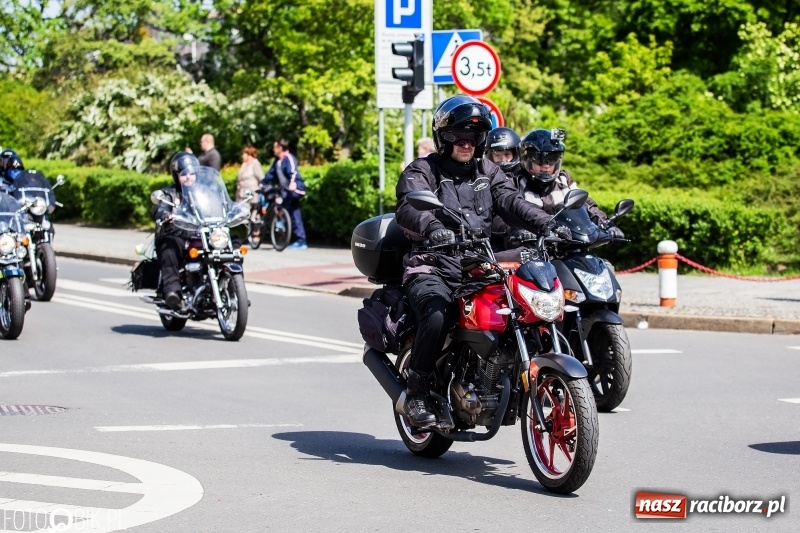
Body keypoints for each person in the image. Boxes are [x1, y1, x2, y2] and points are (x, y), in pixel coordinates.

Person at [395, 95, 572, 428]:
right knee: (437, 313)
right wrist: (433, 227)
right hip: (432, 261)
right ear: (442, 137)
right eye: (457, 135)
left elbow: (512, 202)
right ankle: (417, 392)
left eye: (474, 137)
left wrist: (549, 224)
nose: (466, 143)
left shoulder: (487, 171)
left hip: (478, 260)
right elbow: (409, 206)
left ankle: (526, 371)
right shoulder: (423, 170)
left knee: (535, 291)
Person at [517, 128, 624, 238]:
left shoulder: (563, 179)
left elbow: (586, 204)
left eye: (552, 159)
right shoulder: (516, 182)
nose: (546, 166)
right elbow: (504, 213)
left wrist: (608, 225)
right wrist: (518, 231)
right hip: (529, 248)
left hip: (564, 245)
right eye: (539, 160)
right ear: (527, 159)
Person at [153, 151, 200, 311]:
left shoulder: (203, 193)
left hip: (200, 235)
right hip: (177, 234)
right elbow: (160, 207)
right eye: (184, 174)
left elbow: (220, 206)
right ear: (176, 175)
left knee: (233, 246)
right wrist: (164, 214)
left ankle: (233, 287)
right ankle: (172, 291)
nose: (188, 177)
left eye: (192, 173)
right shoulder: (169, 193)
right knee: (169, 246)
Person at [262, 139, 307, 249]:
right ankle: (298, 238)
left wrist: (293, 184)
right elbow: (270, 174)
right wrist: (262, 183)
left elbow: (293, 172)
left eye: (275, 147)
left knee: (290, 212)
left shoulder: (289, 158)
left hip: (294, 189)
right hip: (285, 190)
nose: (273, 149)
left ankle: (299, 239)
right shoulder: (277, 161)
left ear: (280, 148)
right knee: (292, 213)